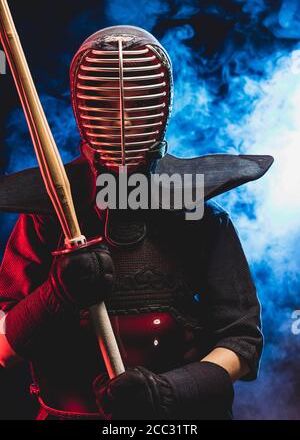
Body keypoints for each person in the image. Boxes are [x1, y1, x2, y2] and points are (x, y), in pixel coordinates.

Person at [0, 26, 271, 420]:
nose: (123, 117)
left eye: (135, 101)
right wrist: (57, 295)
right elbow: (4, 349)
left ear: (160, 106)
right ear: (83, 106)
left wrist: (171, 392)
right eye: (107, 103)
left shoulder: (197, 215)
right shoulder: (47, 217)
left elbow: (243, 342)